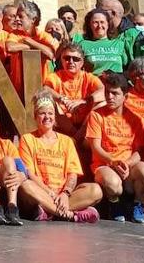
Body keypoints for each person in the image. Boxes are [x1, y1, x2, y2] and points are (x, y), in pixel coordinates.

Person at [17, 91, 102, 223]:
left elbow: (72, 174)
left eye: (50, 113)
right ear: (35, 116)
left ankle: (49, 211)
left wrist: (65, 194)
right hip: (41, 192)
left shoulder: (67, 141)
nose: (47, 117)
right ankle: (69, 215)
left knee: (96, 190)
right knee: (26, 185)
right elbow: (30, 173)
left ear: (55, 117)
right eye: (42, 113)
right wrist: (49, 192)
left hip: (63, 195)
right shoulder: (27, 139)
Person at [85, 71, 144, 224]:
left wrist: (127, 163)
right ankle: (114, 204)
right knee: (114, 185)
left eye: (115, 93)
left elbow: (138, 151)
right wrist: (113, 161)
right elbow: (95, 146)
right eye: (107, 92)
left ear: (125, 96)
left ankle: (138, 204)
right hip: (104, 164)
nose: (110, 97)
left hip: (127, 164)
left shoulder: (136, 119)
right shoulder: (96, 115)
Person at [42, 41, 104, 137]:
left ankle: (79, 136)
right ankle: (75, 135)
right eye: (67, 58)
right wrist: (61, 99)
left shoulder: (88, 77)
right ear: (61, 60)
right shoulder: (55, 77)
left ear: (82, 62)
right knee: (48, 101)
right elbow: (45, 89)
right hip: (63, 122)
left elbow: (104, 91)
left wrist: (83, 101)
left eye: (75, 59)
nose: (71, 62)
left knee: (102, 103)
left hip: (85, 123)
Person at [77, 8, 131, 76]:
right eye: (95, 22)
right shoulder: (83, 45)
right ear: (89, 25)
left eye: (102, 22)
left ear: (108, 24)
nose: (99, 26)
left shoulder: (119, 44)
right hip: (94, 84)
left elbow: (127, 66)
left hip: (116, 84)